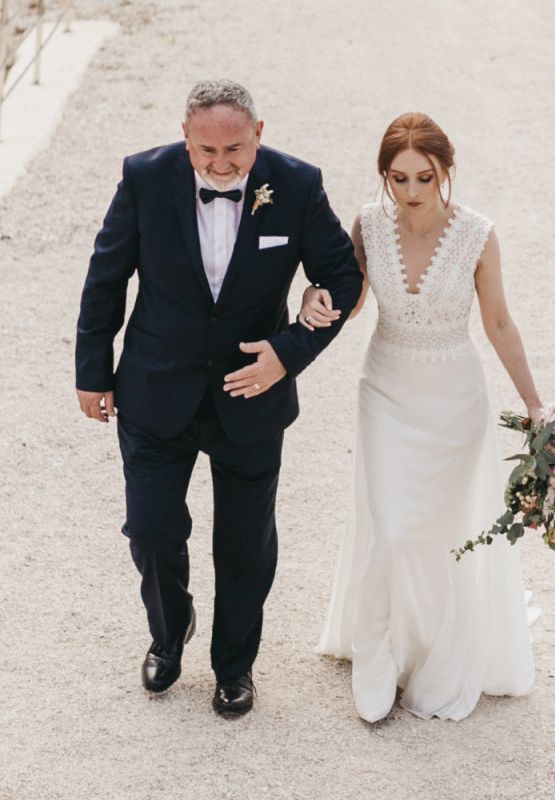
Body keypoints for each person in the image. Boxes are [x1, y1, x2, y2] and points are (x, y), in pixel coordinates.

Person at [75, 80, 362, 717]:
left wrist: (287, 353)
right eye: (206, 150)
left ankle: (235, 666)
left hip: (251, 397)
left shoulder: (297, 184)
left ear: (259, 132)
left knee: (243, 544)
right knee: (151, 529)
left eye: (234, 148)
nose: (222, 163)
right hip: (154, 391)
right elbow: (107, 274)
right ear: (186, 139)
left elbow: (342, 276)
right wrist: (92, 371)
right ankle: (170, 628)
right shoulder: (144, 178)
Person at [308, 112, 544, 722]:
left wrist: (535, 403)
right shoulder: (368, 224)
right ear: (384, 177)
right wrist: (316, 298)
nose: (411, 192)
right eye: (398, 178)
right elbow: (353, 302)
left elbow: (497, 323)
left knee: (439, 534)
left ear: (446, 171)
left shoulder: (477, 234)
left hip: (454, 401)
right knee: (391, 529)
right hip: (386, 390)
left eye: (423, 177)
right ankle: (377, 649)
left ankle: (432, 650)